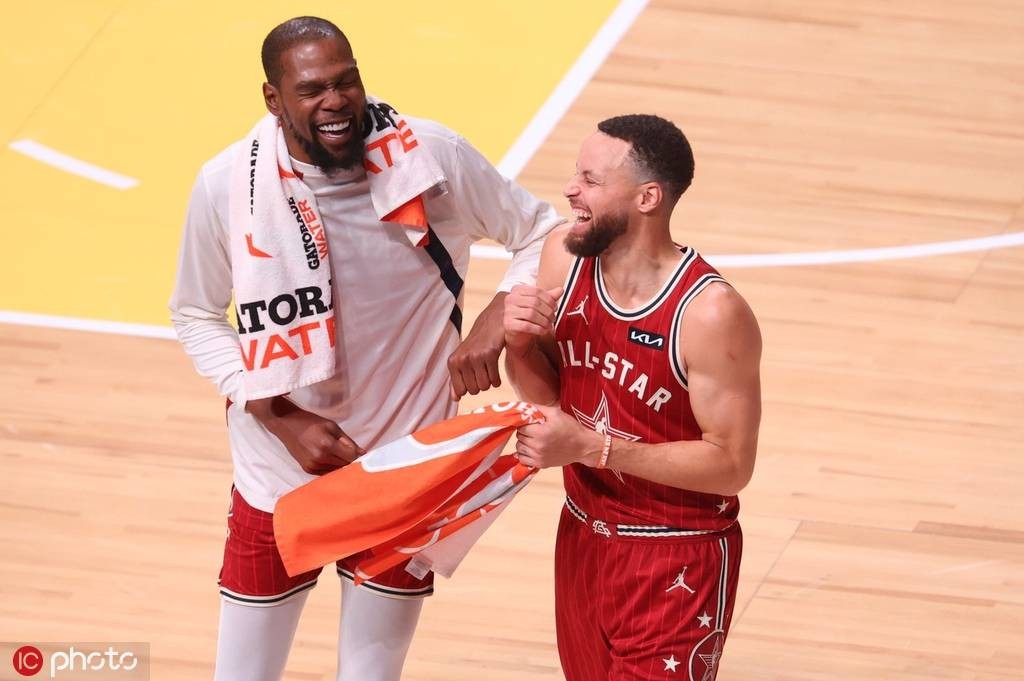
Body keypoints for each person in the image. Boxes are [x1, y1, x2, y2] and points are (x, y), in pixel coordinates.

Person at [168, 16, 563, 681]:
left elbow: (541, 233)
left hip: (406, 466)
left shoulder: (432, 157)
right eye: (311, 89)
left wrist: (499, 313)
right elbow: (195, 313)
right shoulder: (226, 184)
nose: (335, 101)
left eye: (346, 81)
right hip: (276, 472)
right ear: (274, 99)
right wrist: (278, 415)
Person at [503, 114, 762, 680]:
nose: (570, 189)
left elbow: (731, 465)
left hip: (676, 553)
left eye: (590, 180)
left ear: (647, 198)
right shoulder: (562, 258)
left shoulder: (710, 313)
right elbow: (553, 395)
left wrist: (593, 448)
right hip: (583, 534)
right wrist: (519, 348)